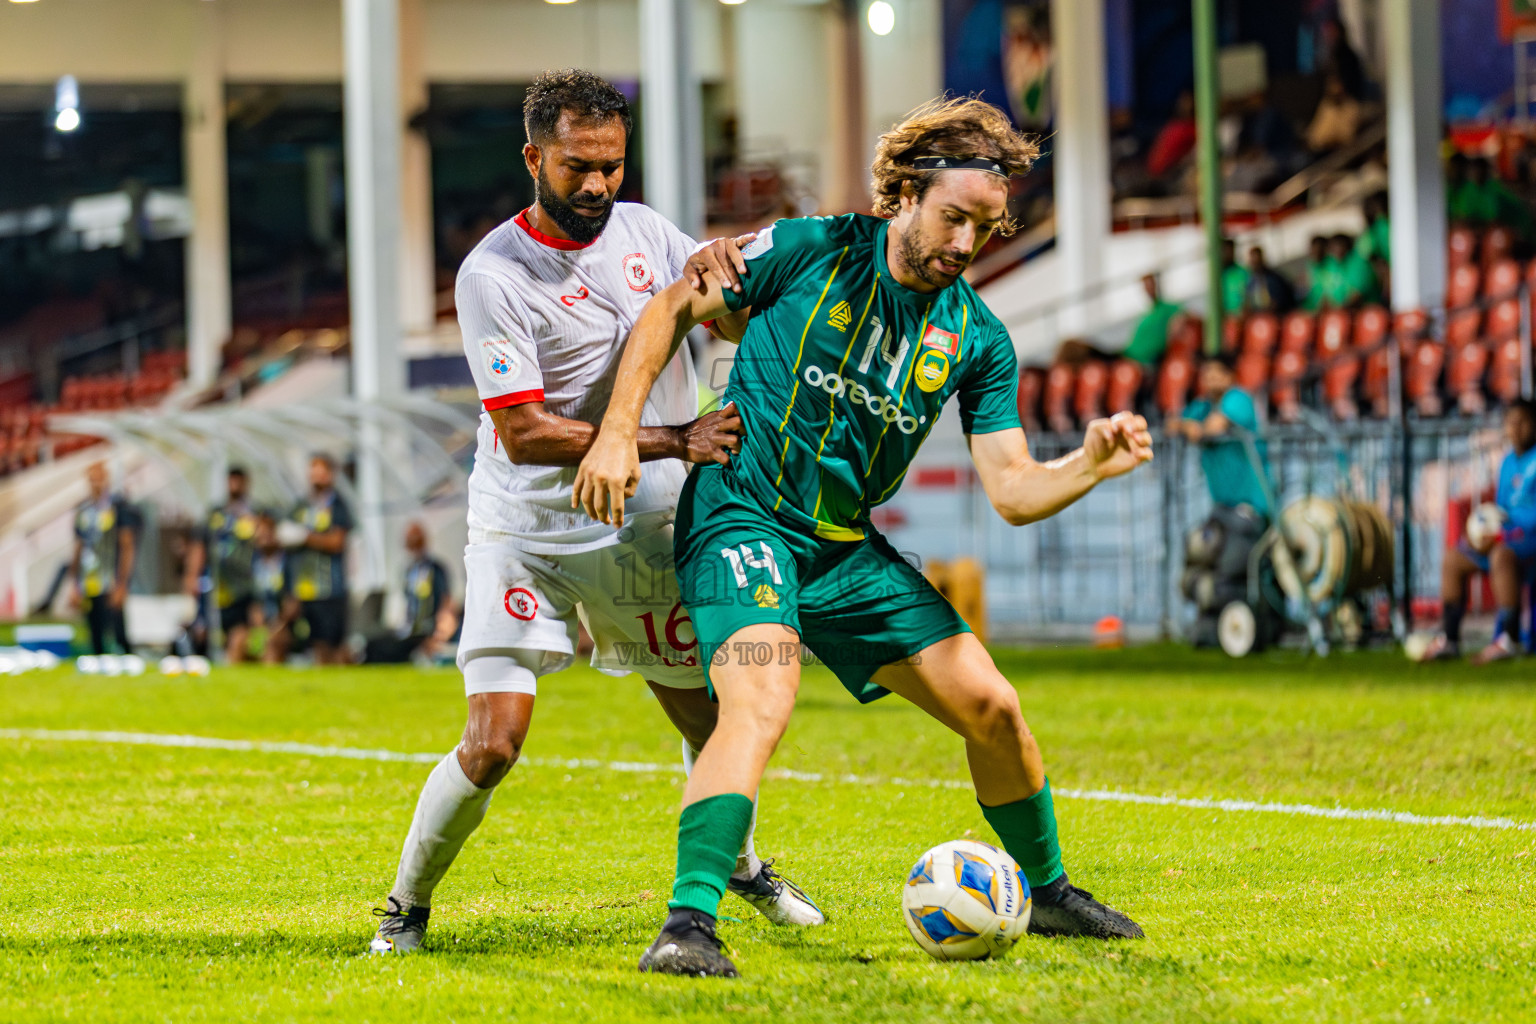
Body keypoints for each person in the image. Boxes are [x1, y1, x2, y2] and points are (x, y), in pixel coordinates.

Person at [575, 95, 1153, 977]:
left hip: (846, 550)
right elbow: (669, 310)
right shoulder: (810, 248)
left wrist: (1088, 465)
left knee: (995, 708)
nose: (965, 243)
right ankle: (687, 925)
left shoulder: (978, 338)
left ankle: (1047, 893)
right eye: (954, 217)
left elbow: (1011, 489)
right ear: (906, 195)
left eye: (984, 228)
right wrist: (619, 432)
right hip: (742, 516)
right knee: (762, 701)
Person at [367, 69, 823, 957]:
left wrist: (742, 277)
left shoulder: (648, 231)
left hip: (642, 530)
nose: (598, 185)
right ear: (533, 158)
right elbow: (526, 432)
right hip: (527, 533)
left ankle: (740, 866)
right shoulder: (492, 274)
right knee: (495, 743)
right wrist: (678, 438)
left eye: (612, 165)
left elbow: (722, 309)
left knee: (713, 723)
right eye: (578, 166)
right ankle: (405, 907)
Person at [1425, 399, 1536, 664]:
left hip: (1529, 539)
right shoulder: (1508, 462)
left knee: (1501, 556)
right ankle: (1450, 639)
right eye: (1511, 423)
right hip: (1505, 536)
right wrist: (1483, 532)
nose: (1516, 428)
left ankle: (1509, 640)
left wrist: (1503, 535)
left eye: (1522, 422)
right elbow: (1501, 509)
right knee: (1454, 559)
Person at [1166, 354, 1272, 521]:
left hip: (1251, 505)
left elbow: (1214, 427)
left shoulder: (1239, 398)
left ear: (1230, 375)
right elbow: (1171, 424)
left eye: (1217, 372)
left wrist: (1196, 429)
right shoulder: (1204, 405)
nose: (1211, 377)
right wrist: (1186, 426)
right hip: (1222, 504)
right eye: (1207, 371)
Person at [184, 467, 261, 663]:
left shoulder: (254, 512)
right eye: (231, 480)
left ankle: (234, 661)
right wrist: (192, 576)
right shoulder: (215, 514)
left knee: (241, 632)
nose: (234, 485)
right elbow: (199, 544)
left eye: (238, 481)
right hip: (216, 586)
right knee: (209, 631)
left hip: (243, 586)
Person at [283, 453, 354, 665]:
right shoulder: (301, 507)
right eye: (313, 472)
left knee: (334, 645)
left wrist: (306, 537)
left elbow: (337, 541)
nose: (315, 478)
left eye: (321, 473)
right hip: (305, 591)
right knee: (315, 645)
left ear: (331, 475)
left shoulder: (337, 505)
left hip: (330, 589)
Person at [361, 522, 459, 664]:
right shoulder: (407, 570)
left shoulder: (434, 569)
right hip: (408, 629)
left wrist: (441, 631)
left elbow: (446, 602)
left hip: (426, 629)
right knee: (375, 645)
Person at [69, 461, 139, 655]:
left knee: (118, 633)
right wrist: (74, 584)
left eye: (99, 479)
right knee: (95, 635)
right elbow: (78, 548)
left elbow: (127, 547)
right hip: (89, 581)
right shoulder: (83, 511)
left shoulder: (117, 508)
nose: (96, 484)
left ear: (107, 479)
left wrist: (123, 583)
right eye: (92, 480)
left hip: (110, 580)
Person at [250, 514, 295, 665]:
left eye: (267, 532)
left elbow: (292, 605)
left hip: (285, 625)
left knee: (271, 644)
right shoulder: (254, 562)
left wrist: (276, 626)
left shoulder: (288, 561)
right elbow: (254, 602)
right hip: (261, 625)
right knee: (238, 639)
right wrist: (259, 626)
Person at [1122, 273, 1184, 366]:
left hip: (1151, 359)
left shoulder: (1167, 308)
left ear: (1155, 284)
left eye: (1150, 284)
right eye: (1146, 286)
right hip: (1130, 355)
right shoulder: (1145, 316)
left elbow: (1182, 316)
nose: (1148, 289)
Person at [1305, 74, 1361, 155]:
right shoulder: (1326, 106)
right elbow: (1316, 135)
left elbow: (1346, 136)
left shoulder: (1351, 107)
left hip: (1343, 152)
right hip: (1321, 151)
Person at [1243, 245, 1295, 315]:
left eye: (1257, 261)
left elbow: (1279, 301)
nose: (1255, 264)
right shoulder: (1251, 282)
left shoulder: (1274, 279)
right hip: (1258, 318)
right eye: (1253, 261)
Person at [1220, 238, 1250, 317]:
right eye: (1225, 250)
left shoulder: (1243, 273)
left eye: (1230, 250)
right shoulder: (1216, 275)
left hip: (1239, 317)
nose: (1227, 254)